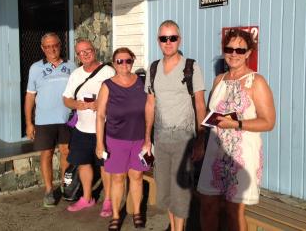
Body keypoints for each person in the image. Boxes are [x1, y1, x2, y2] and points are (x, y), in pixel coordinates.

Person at [197, 29, 276, 231]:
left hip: (241, 156)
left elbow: (268, 122)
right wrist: (199, 141)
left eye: (240, 50)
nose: (233, 54)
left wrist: (237, 124)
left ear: (249, 53)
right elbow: (209, 114)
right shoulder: (219, 80)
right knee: (207, 205)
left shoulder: (256, 82)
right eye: (229, 48)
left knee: (234, 212)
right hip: (215, 153)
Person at [143, 20, 206, 231]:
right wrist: (147, 139)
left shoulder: (191, 66)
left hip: (184, 138)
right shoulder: (153, 68)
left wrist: (201, 139)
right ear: (158, 41)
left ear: (180, 40)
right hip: (160, 138)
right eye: (163, 38)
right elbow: (150, 104)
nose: (168, 42)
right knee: (167, 192)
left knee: (180, 190)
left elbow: (199, 104)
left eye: (173, 38)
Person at [96, 47, 148, 231]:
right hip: (116, 140)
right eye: (119, 61)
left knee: (137, 176)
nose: (124, 64)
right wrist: (99, 142)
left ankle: (137, 213)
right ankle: (116, 215)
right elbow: (100, 115)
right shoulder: (107, 85)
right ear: (114, 64)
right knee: (118, 178)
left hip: (140, 138)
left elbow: (151, 108)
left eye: (128, 60)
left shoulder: (142, 82)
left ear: (133, 61)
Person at [62, 39, 115, 215]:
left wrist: (100, 103)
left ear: (94, 50)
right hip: (82, 129)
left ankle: (108, 200)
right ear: (77, 56)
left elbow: (116, 96)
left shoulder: (108, 71)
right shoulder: (76, 74)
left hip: (104, 129)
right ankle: (87, 198)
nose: (84, 54)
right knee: (83, 164)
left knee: (105, 165)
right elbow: (66, 99)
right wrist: (77, 104)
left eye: (88, 50)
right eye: (80, 52)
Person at [24, 32, 76, 207]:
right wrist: (29, 123)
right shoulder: (35, 68)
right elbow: (30, 97)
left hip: (66, 120)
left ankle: (65, 186)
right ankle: (48, 190)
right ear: (42, 48)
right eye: (47, 46)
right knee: (46, 155)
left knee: (66, 152)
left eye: (55, 45)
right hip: (44, 121)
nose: (52, 49)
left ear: (60, 45)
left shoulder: (71, 65)